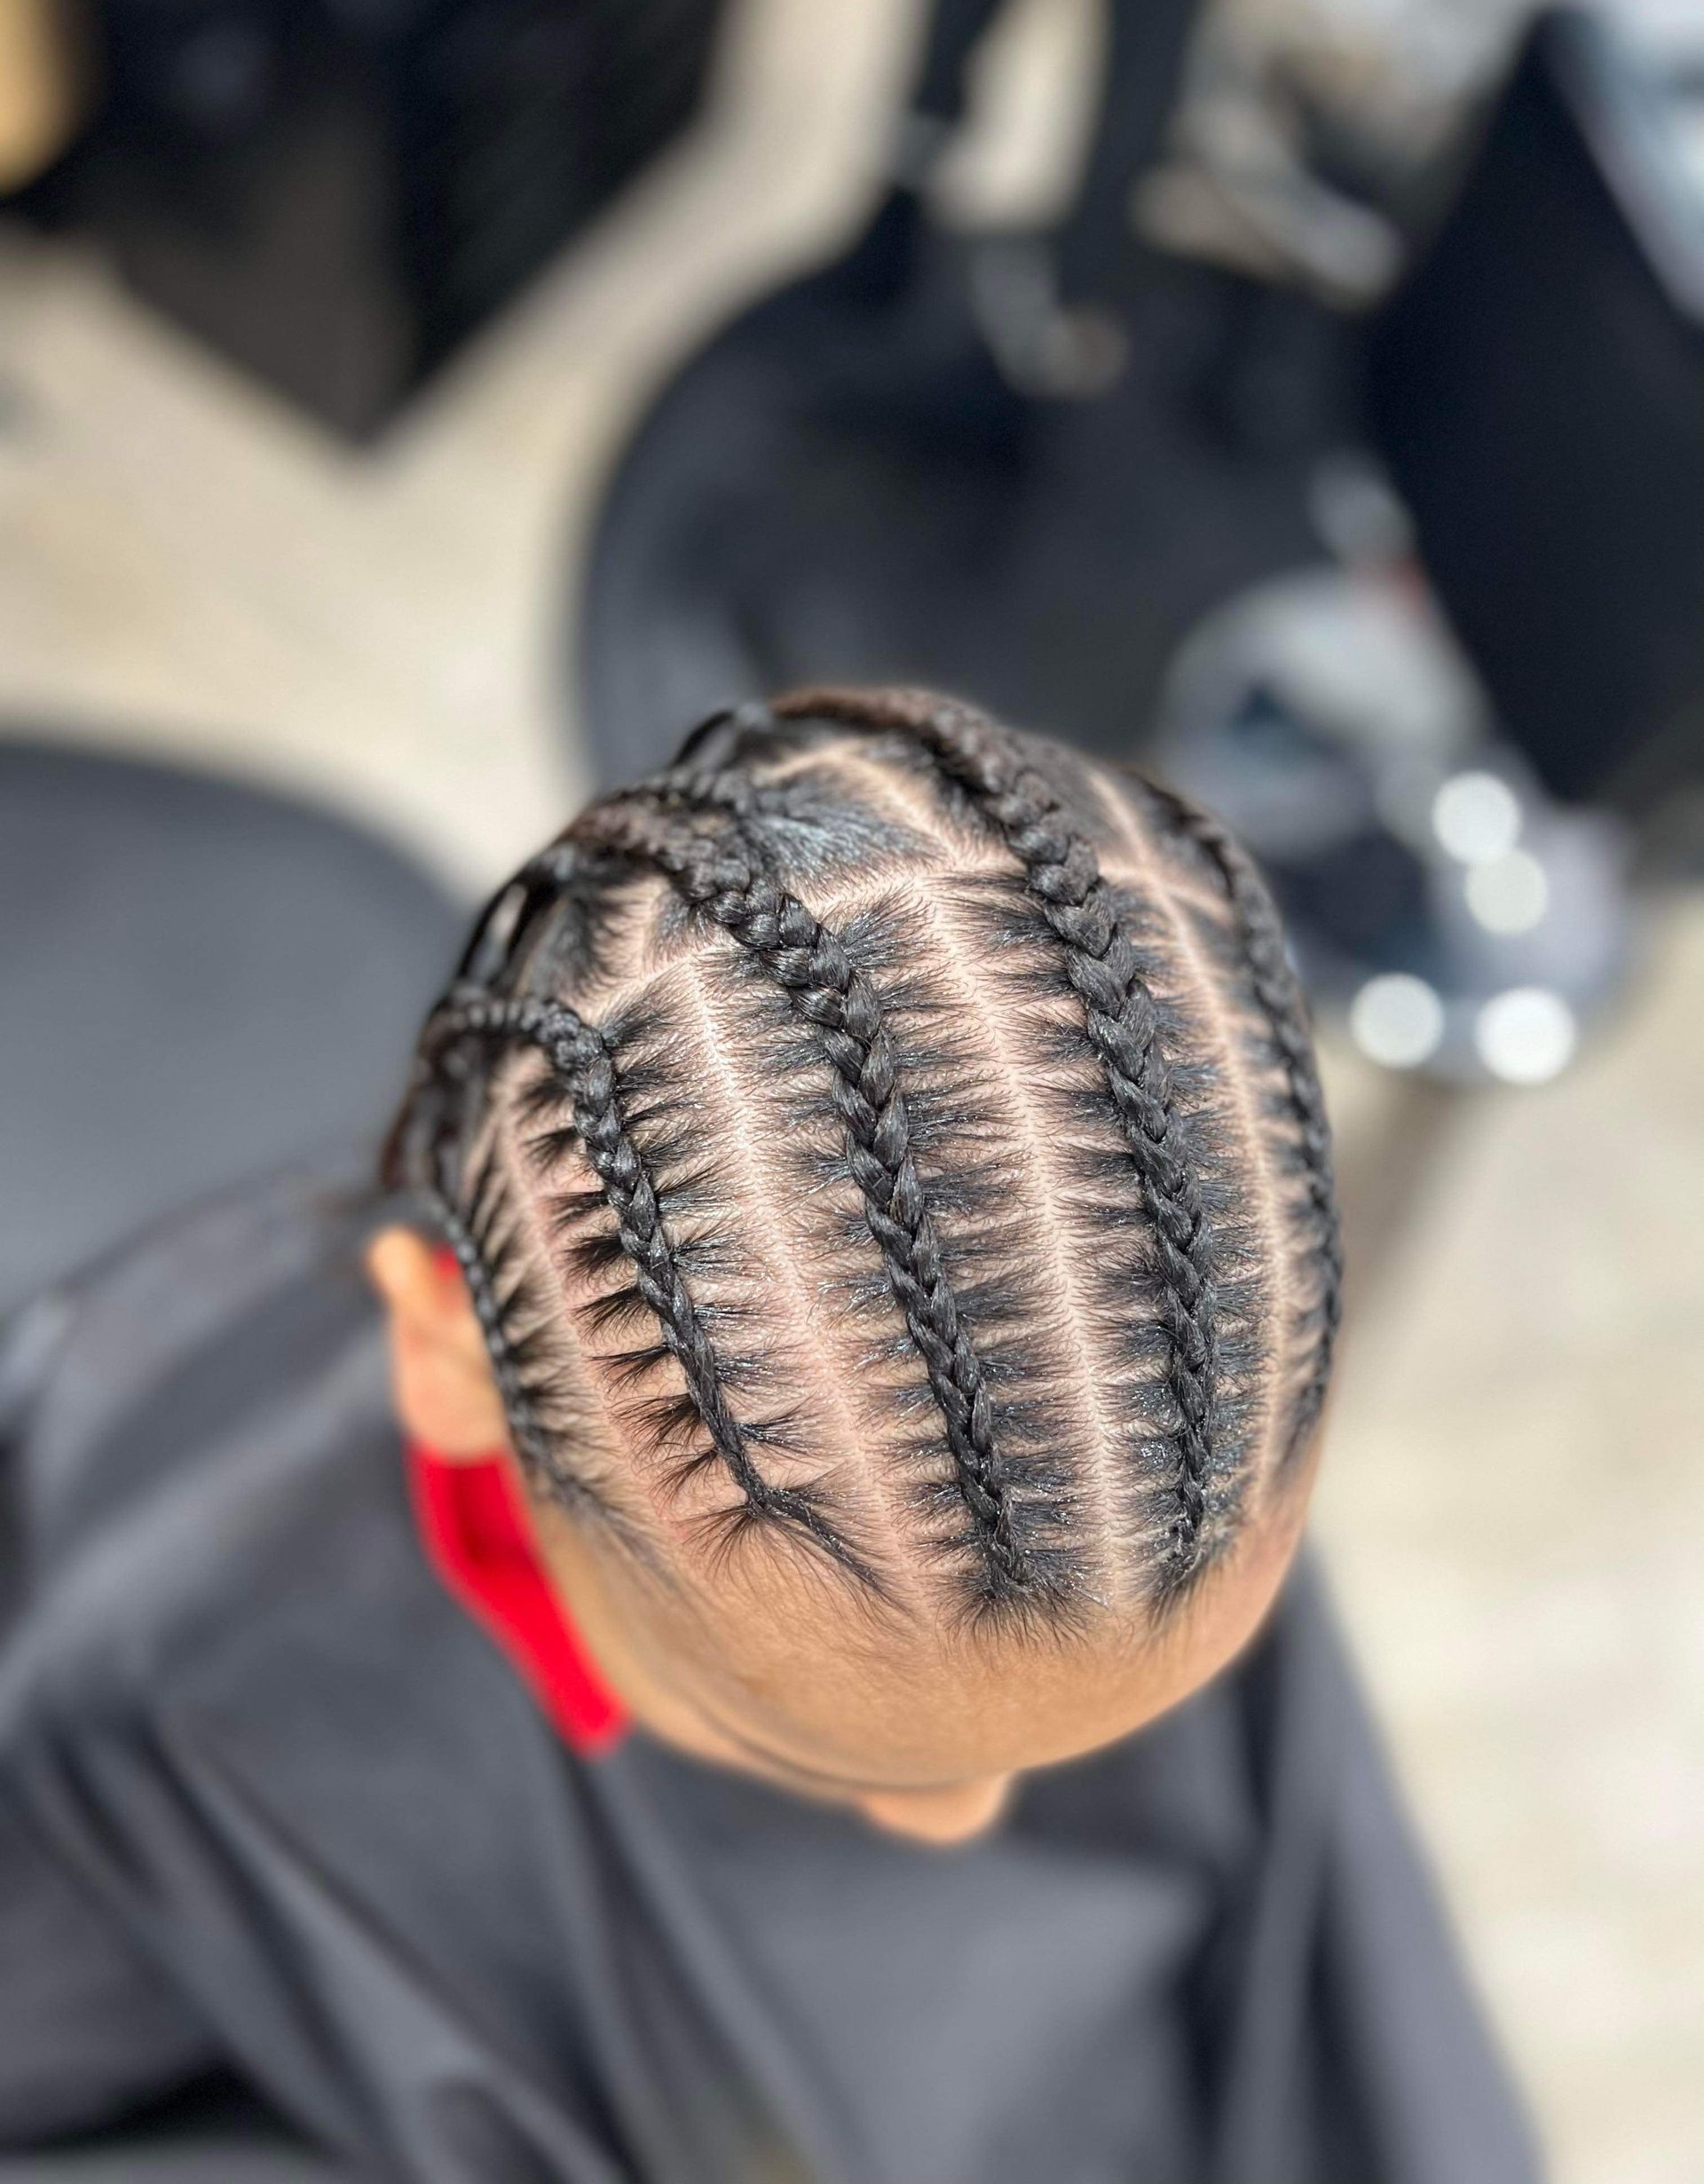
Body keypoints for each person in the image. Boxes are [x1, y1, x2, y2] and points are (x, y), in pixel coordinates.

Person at [0, 690, 1538, 2182]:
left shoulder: (1121, 1455)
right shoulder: (176, 1691)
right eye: (797, 1747)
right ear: (442, 1349)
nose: (963, 1823)